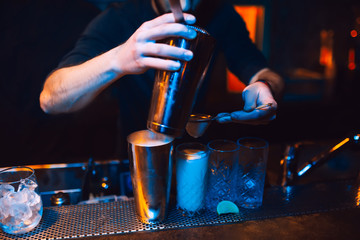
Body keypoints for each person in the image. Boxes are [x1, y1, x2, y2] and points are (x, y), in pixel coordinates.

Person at [40, 0, 284, 155]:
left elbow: (263, 71)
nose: (187, 2)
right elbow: (51, 99)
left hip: (195, 154)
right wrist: (118, 60)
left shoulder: (222, 14)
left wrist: (266, 86)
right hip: (135, 161)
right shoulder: (120, 17)